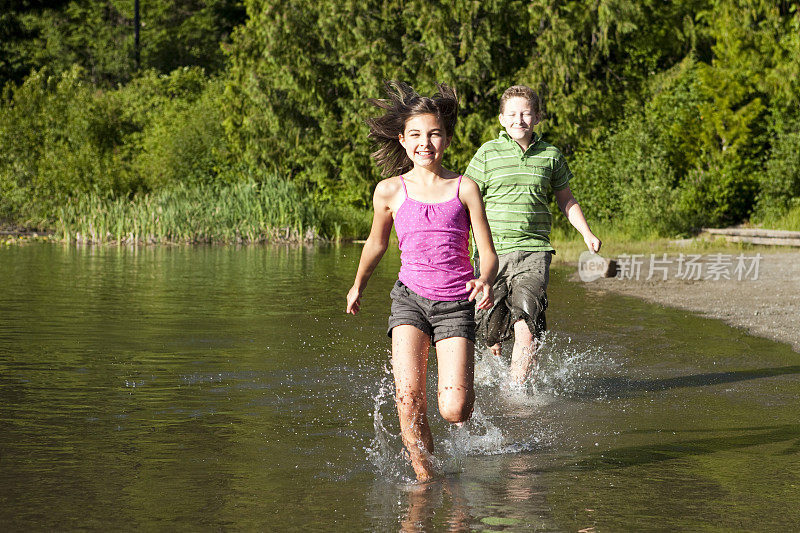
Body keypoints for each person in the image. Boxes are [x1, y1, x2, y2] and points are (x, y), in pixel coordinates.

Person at [345, 81, 498, 482]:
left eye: (434, 134)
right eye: (415, 135)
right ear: (402, 140)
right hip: (409, 300)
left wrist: (484, 278)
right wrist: (358, 283)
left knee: (454, 410)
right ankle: (426, 482)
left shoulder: (464, 188)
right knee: (409, 399)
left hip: (455, 303)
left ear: (446, 138)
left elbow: (489, 252)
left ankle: (462, 392)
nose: (425, 142)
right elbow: (376, 244)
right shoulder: (389, 191)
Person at [465, 85, 601, 386]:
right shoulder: (487, 153)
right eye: (512, 114)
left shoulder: (551, 156)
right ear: (501, 118)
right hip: (491, 254)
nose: (519, 120)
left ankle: (517, 391)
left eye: (526, 113)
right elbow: (466, 200)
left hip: (534, 251)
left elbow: (566, 198)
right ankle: (494, 375)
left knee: (526, 318)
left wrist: (586, 233)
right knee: (490, 332)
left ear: (536, 117)